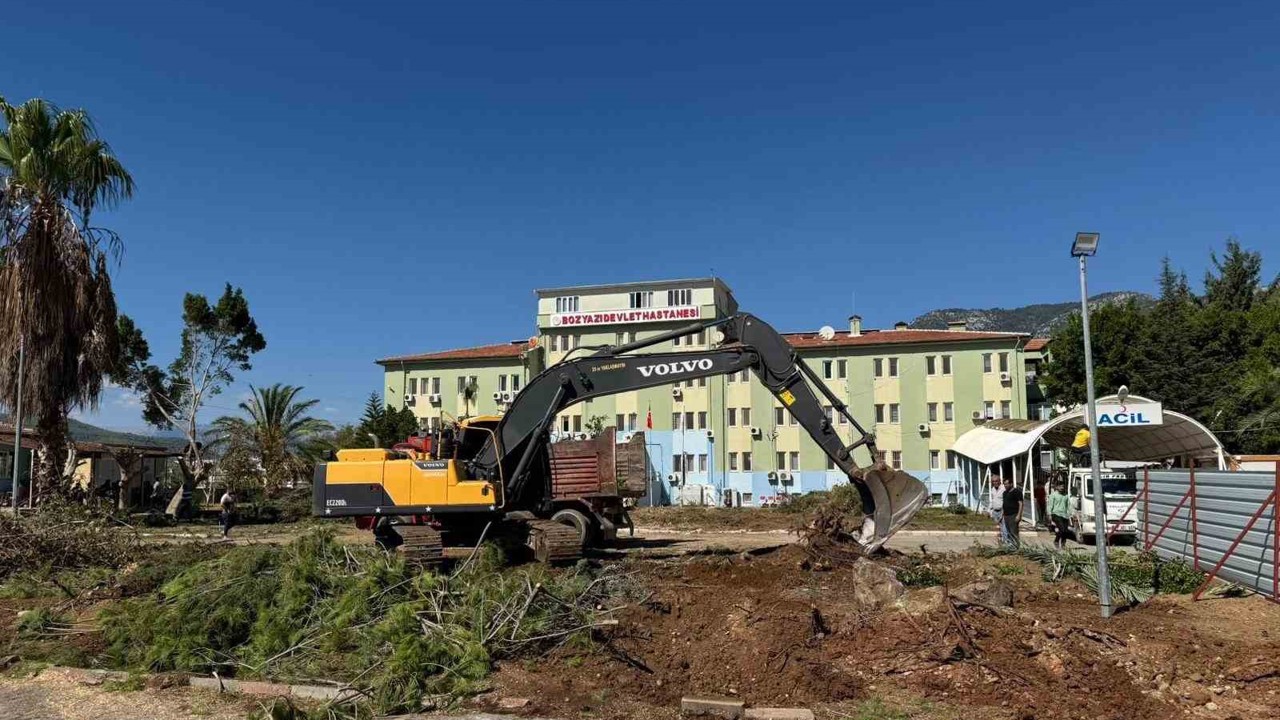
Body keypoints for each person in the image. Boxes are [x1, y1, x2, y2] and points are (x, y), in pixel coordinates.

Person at [1048, 480, 1072, 549]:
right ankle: (1056, 541)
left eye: (1063, 486)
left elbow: (1068, 506)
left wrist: (1071, 514)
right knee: (1062, 529)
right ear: (1056, 487)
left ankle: (1063, 543)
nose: (1062, 488)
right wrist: (1049, 515)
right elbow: (1050, 505)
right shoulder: (1053, 495)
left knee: (1066, 531)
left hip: (1065, 515)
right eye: (1060, 486)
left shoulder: (1066, 496)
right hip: (1056, 514)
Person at [1001, 476, 1023, 547]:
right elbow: (1004, 504)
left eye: (1007, 484)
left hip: (1013, 515)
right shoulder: (1004, 493)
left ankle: (1016, 547)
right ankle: (1011, 546)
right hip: (1006, 515)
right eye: (1004, 484)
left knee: (1014, 532)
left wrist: (1019, 515)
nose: (1005, 485)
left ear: (1011, 484)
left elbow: (1020, 503)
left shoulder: (1016, 492)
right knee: (1008, 532)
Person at [989, 475, 1007, 544]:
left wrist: (1003, 512)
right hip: (995, 511)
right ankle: (1000, 543)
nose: (995, 483)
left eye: (996, 481)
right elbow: (992, 500)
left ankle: (1006, 543)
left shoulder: (1003, 489)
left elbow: (1005, 501)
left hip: (1002, 511)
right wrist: (989, 511)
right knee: (998, 529)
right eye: (993, 481)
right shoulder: (992, 489)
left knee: (1004, 528)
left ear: (1000, 481)